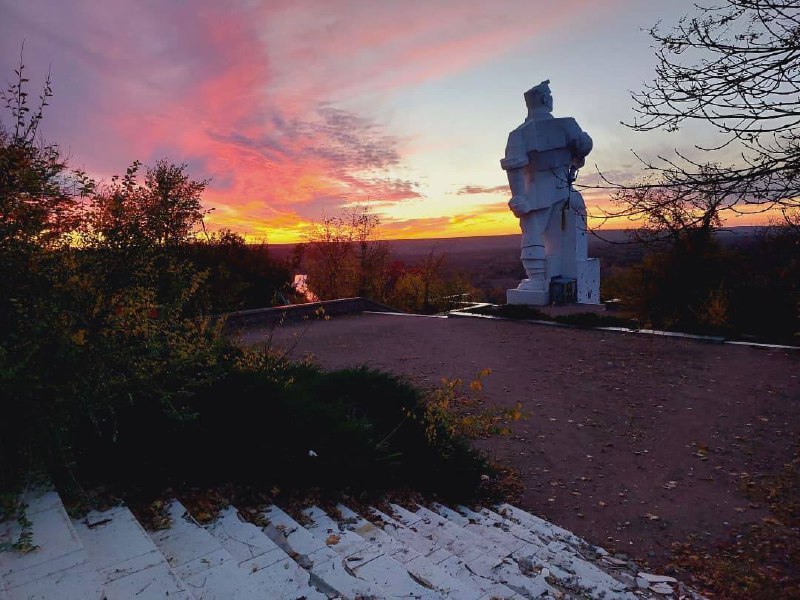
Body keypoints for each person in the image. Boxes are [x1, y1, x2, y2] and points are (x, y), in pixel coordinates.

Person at [501, 80, 593, 302]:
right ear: (545, 100)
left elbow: (515, 167)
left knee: (532, 232)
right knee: (552, 235)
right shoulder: (567, 124)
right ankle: (542, 280)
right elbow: (583, 146)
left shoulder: (518, 134)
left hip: (538, 191)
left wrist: (520, 196)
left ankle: (538, 279)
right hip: (565, 190)